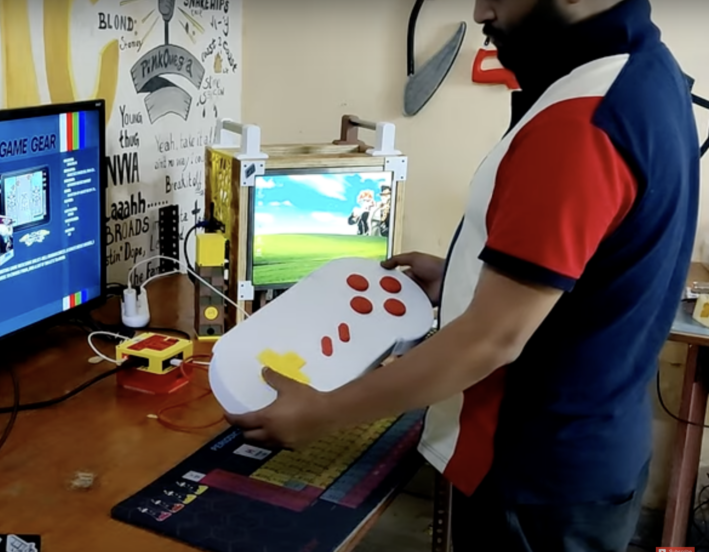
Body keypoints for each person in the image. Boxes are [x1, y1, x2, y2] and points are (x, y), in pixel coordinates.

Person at [225, 0, 700, 549]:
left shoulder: (581, 120)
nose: (479, 10)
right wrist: (460, 279)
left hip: (534, 478)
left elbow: (491, 339)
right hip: (592, 452)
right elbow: (587, 267)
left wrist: (323, 413)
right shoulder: (646, 72)